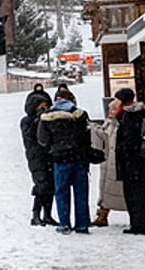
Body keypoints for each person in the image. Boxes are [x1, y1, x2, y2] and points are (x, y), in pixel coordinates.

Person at [37, 87, 91, 235]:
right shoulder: (80, 114)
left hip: (59, 159)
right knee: (81, 191)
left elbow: (42, 140)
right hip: (79, 158)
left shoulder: (47, 117)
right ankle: (82, 224)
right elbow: (87, 136)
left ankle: (64, 223)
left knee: (61, 191)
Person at [104, 88, 145, 230]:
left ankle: (138, 224)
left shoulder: (128, 116)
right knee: (138, 192)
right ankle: (138, 222)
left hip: (132, 161)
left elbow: (129, 140)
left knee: (134, 193)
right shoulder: (138, 113)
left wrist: (120, 148)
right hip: (138, 160)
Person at [19, 93, 58, 226]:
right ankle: (35, 214)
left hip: (49, 155)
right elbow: (30, 136)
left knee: (51, 185)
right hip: (36, 157)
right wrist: (39, 119)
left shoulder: (46, 119)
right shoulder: (27, 121)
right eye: (41, 106)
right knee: (41, 185)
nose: (44, 109)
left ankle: (47, 214)